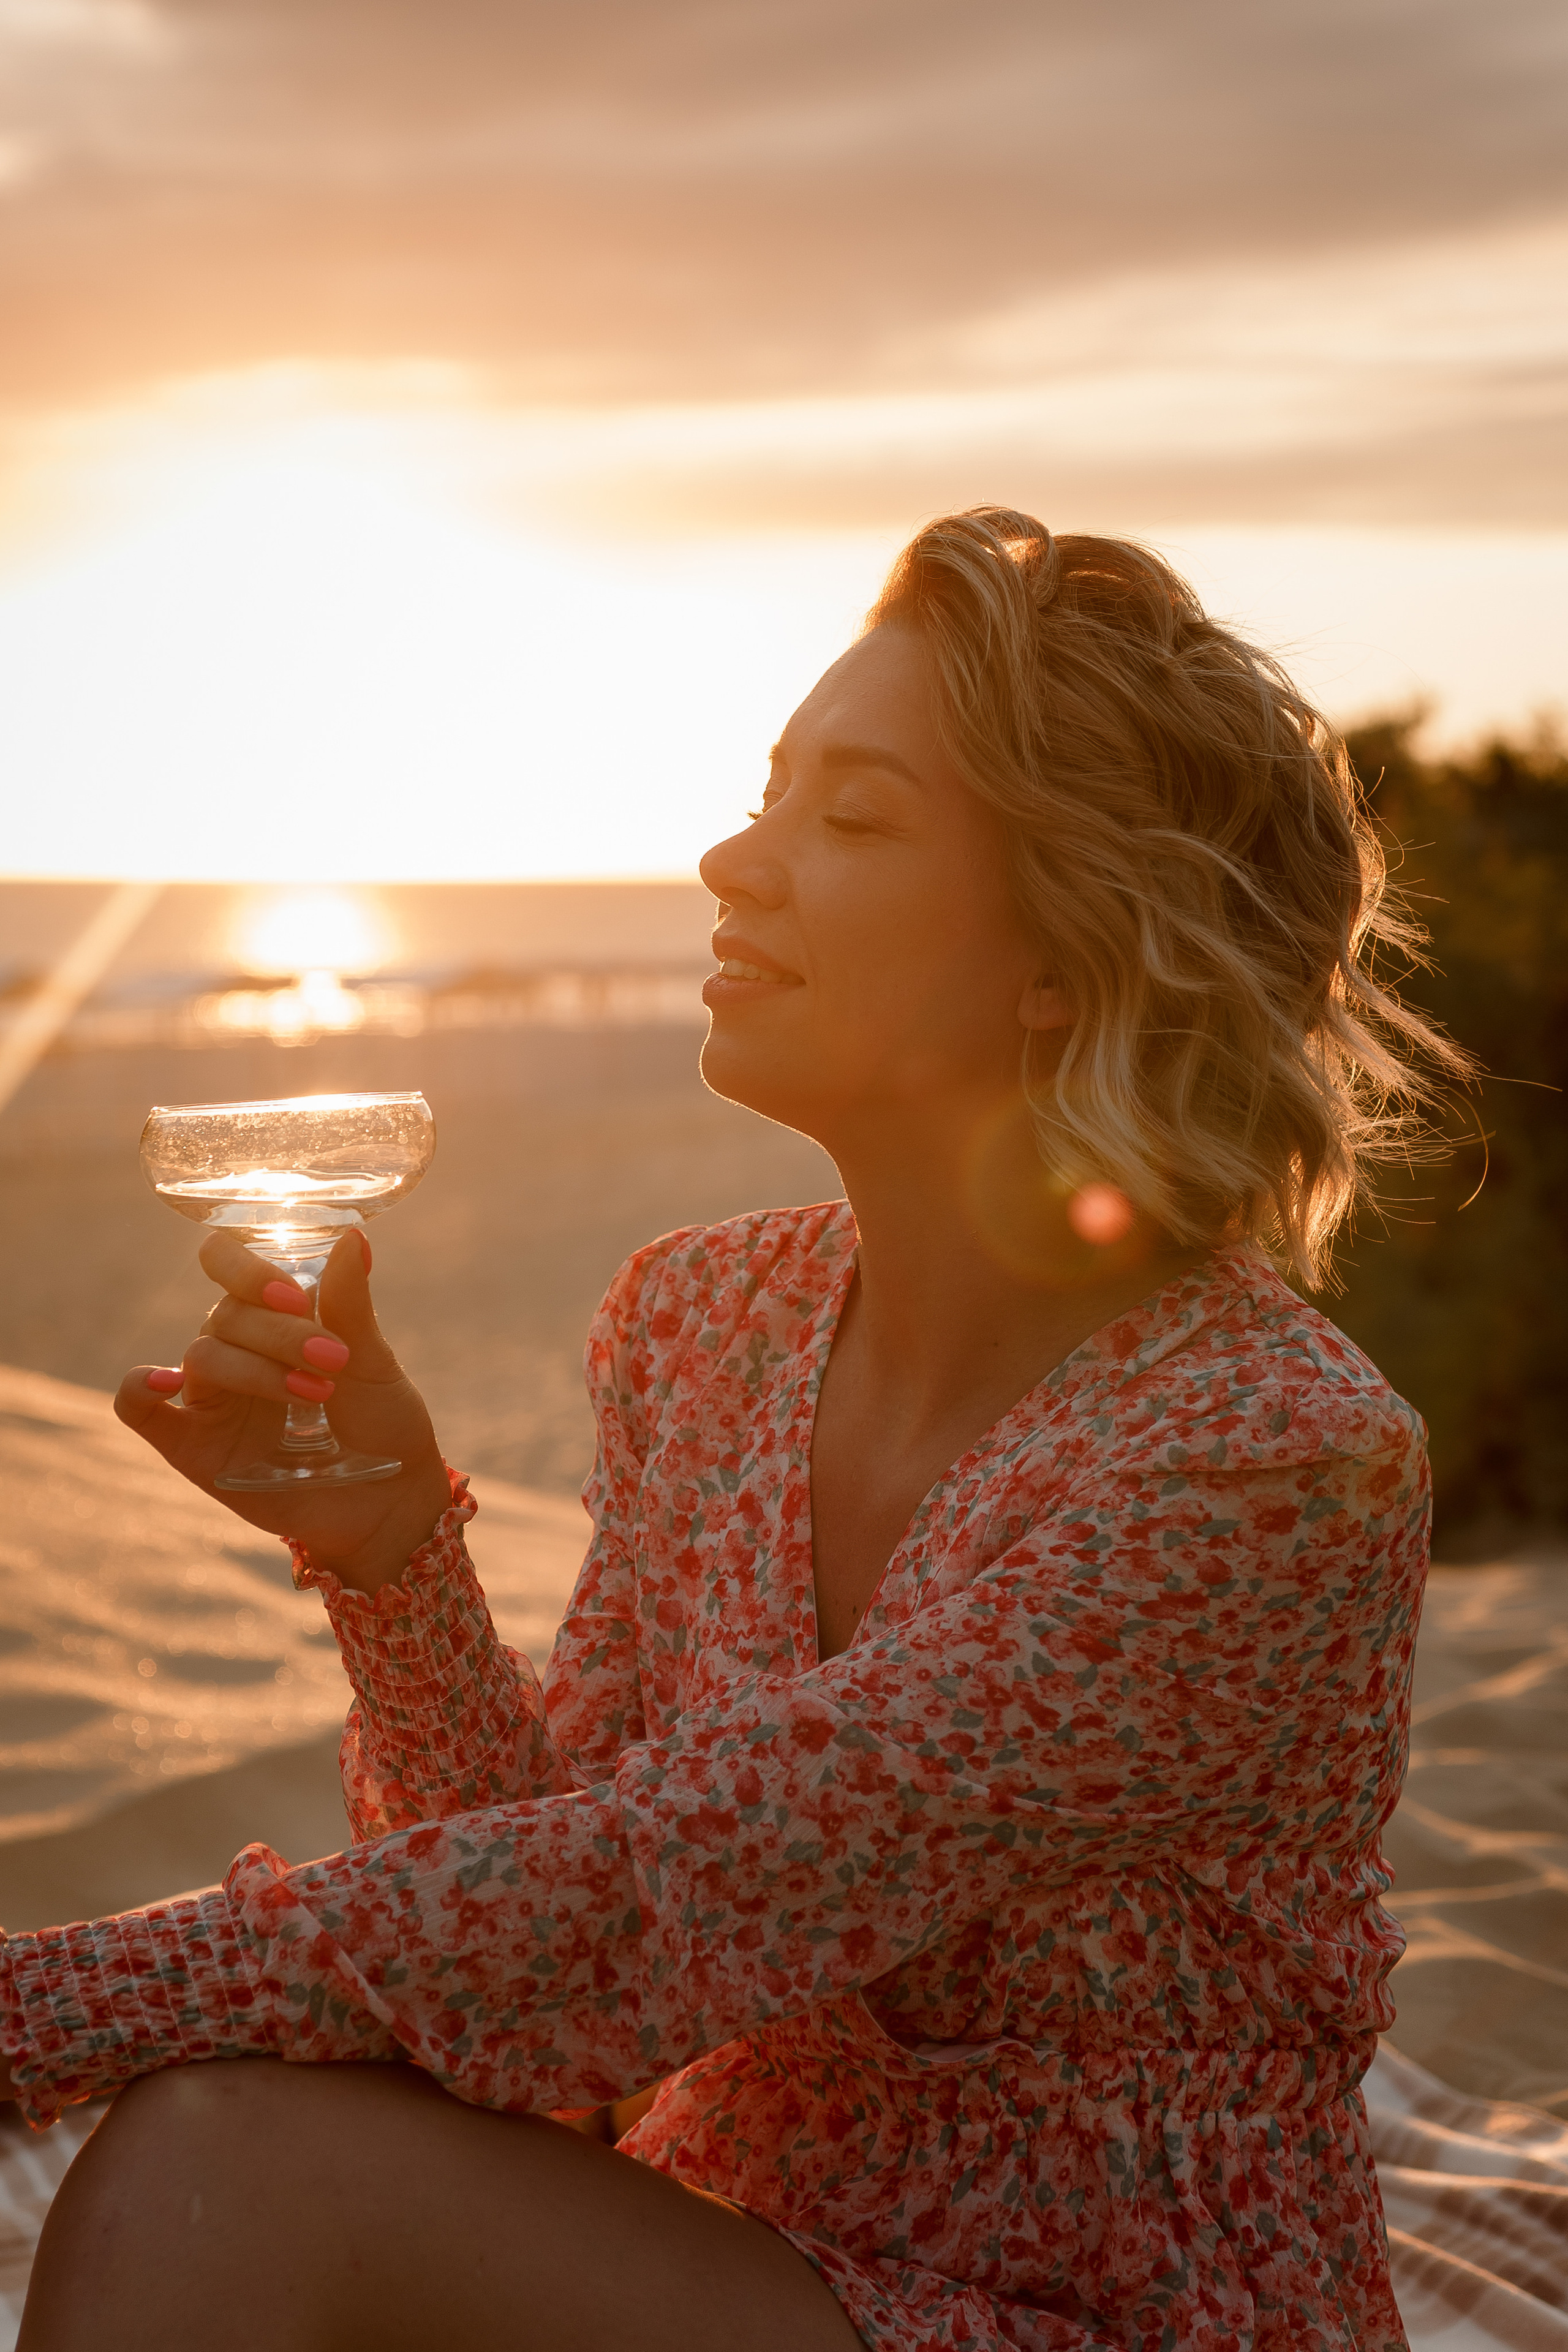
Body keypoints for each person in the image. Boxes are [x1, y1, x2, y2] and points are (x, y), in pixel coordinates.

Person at [1, 511, 1468, 2351]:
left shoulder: (1267, 1466)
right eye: (766, 797)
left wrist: (33, 2011)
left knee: (223, 2157)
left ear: (1068, 951)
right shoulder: (704, 1321)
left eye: (848, 821)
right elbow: (541, 1970)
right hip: (733, 2254)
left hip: (1093, 2314)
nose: (729, 861)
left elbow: (634, 1908)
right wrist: (389, 1556)